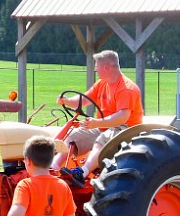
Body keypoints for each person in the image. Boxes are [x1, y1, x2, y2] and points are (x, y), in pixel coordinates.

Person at [52, 49, 143, 186]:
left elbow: (123, 117)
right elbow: (83, 100)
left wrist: (97, 122)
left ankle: (82, 172)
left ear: (106, 68)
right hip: (104, 126)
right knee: (73, 136)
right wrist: (67, 101)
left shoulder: (126, 88)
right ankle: (53, 167)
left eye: (97, 67)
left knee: (102, 139)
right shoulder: (102, 84)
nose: (95, 70)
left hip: (126, 129)